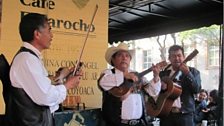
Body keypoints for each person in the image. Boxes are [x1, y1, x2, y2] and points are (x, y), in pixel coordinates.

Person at [7, 13, 82, 126]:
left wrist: (62, 76)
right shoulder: (27, 59)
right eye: (49, 30)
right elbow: (45, 96)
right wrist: (68, 85)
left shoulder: (30, 58)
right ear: (37, 34)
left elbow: (43, 86)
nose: (52, 35)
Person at [98, 43, 162, 126]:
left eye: (127, 56)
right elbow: (102, 82)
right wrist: (124, 75)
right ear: (113, 59)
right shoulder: (108, 73)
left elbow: (152, 91)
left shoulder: (136, 74)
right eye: (120, 55)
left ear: (130, 60)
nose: (124, 58)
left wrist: (156, 76)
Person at [159, 45, 201, 126]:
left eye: (179, 55)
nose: (177, 58)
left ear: (184, 57)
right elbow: (158, 94)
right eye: (173, 56)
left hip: (185, 115)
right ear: (169, 58)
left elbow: (197, 90)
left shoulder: (193, 72)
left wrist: (188, 74)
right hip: (166, 115)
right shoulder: (163, 73)